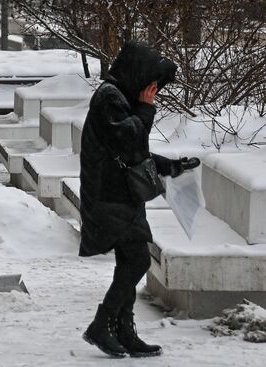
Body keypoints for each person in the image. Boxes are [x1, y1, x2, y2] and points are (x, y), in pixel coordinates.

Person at [79, 41, 200, 358]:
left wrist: (170, 166)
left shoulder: (121, 97)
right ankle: (101, 324)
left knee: (128, 260)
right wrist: (146, 109)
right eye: (151, 86)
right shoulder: (109, 98)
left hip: (121, 195)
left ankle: (124, 331)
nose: (153, 93)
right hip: (110, 196)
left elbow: (133, 152)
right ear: (137, 75)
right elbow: (128, 138)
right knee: (137, 260)